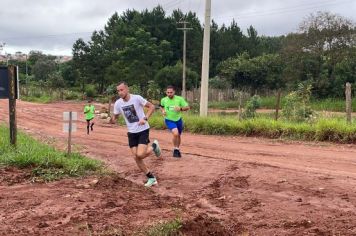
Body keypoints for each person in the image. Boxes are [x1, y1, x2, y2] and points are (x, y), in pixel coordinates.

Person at [110, 81, 162, 187]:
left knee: (140, 155)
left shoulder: (137, 98)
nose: (120, 92)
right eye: (118, 91)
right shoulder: (118, 103)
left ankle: (154, 146)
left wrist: (145, 118)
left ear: (127, 89)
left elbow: (152, 107)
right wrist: (112, 119)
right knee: (136, 157)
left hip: (143, 129)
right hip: (131, 132)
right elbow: (115, 117)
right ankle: (151, 178)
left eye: (122, 90)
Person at [160, 85, 190, 158]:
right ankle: (175, 148)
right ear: (166, 92)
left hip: (178, 120)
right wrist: (163, 111)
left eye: (171, 92)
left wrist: (180, 109)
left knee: (178, 135)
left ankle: (177, 149)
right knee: (175, 133)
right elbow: (161, 106)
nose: (169, 94)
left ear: (174, 92)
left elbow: (187, 107)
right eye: (168, 92)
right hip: (169, 120)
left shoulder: (179, 99)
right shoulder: (164, 99)